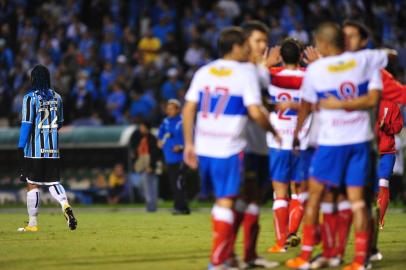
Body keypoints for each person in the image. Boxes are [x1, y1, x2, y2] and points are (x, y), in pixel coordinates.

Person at [286, 22, 388, 270]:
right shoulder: (368, 63)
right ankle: (358, 259)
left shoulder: (317, 69)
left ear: (322, 43)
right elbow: (374, 99)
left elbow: (307, 106)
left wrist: (298, 133)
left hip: (331, 143)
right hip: (361, 141)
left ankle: (308, 254)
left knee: (315, 198)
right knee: (356, 202)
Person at [182, 26, 281, 269]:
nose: (251, 48)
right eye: (249, 44)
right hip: (230, 146)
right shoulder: (245, 72)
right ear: (237, 46)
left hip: (205, 146)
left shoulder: (204, 71)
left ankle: (229, 257)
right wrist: (274, 131)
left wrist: (189, 143)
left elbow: (188, 109)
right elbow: (256, 111)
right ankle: (218, 261)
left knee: (226, 201)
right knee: (228, 201)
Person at [226, 20, 279, 269]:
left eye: (265, 41)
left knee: (255, 201)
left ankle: (249, 255)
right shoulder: (236, 71)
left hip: (260, 144)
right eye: (258, 41)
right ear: (245, 42)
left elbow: (264, 104)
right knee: (240, 200)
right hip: (241, 145)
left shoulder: (260, 71)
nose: (263, 45)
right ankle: (228, 255)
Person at [17, 64, 77, 232]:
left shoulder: (30, 98)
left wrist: (20, 146)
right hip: (53, 149)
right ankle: (65, 204)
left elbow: (27, 125)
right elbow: (60, 124)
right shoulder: (57, 97)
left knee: (32, 184)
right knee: (53, 182)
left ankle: (33, 224)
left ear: (33, 79)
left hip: (34, 150)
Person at [266, 38, 310, 253]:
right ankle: (292, 231)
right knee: (300, 192)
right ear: (302, 56)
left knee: (280, 194)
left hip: (277, 141)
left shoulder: (271, 75)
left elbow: (248, 74)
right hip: (301, 141)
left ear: (281, 56)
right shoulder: (311, 76)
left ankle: (281, 242)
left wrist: (266, 63)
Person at [158, 99, 190, 215]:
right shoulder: (165, 122)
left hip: (181, 158)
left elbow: (192, 136)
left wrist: (181, 146)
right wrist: (159, 141)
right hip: (170, 158)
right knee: (173, 184)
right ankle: (180, 207)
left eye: (172, 108)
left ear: (178, 109)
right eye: (168, 108)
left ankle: (181, 207)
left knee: (179, 182)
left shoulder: (183, 121)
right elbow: (160, 135)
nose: (169, 110)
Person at [132, 122, 161, 212]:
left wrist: (151, 166)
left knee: (152, 187)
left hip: (150, 165)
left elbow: (154, 153)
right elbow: (139, 152)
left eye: (142, 127)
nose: (141, 129)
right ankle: (150, 206)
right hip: (143, 165)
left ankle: (152, 207)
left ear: (147, 128)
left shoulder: (152, 138)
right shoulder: (141, 138)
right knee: (145, 187)